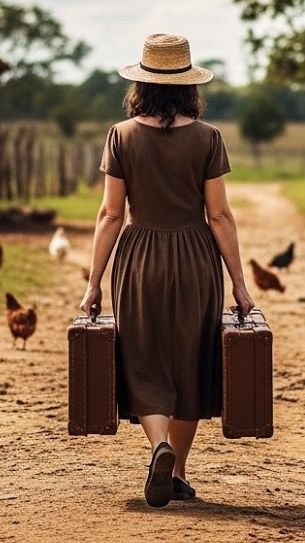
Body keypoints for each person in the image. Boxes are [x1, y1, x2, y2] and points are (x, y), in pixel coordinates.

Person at [79, 33, 256, 509]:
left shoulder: (121, 135)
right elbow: (219, 215)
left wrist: (94, 282)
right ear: (188, 87)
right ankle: (177, 469)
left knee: (145, 357)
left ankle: (158, 447)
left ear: (141, 84)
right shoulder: (208, 137)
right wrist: (239, 283)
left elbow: (110, 215)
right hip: (196, 258)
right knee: (191, 360)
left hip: (138, 260)